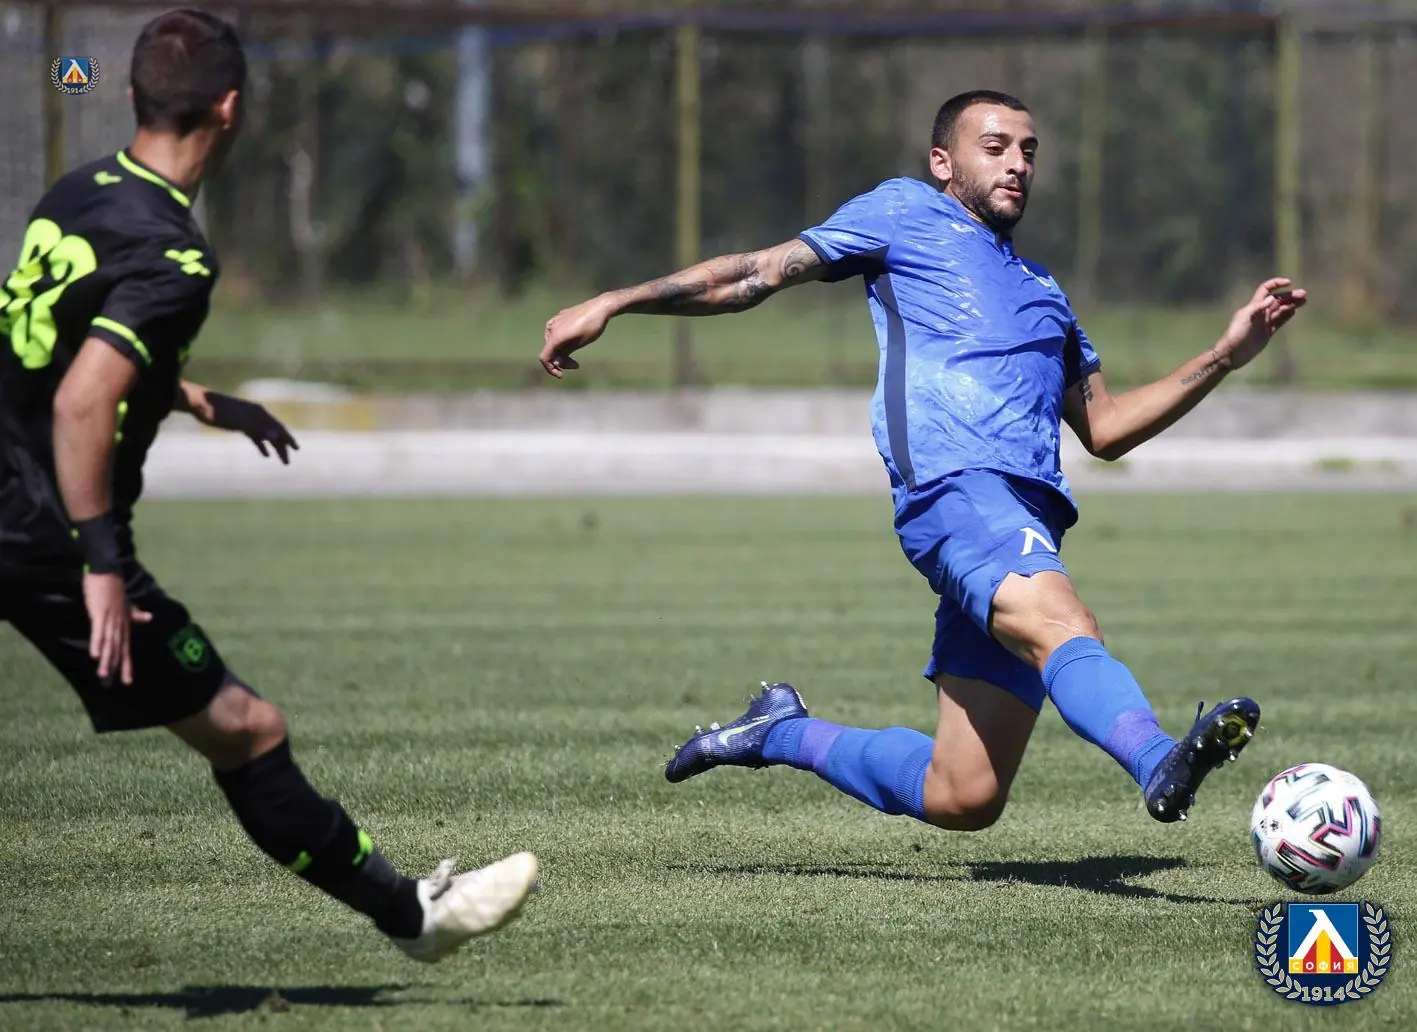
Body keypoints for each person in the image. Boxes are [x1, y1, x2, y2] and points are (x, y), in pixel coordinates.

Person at [539, 89, 1307, 832]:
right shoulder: (905, 212)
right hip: (955, 491)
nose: (1017, 164)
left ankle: (779, 730)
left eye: (1028, 151)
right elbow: (756, 273)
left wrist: (1222, 357)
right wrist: (614, 301)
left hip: (1026, 518)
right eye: (995, 147)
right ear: (942, 161)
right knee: (1064, 622)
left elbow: (1104, 428)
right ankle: (1155, 758)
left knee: (963, 794)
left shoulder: (1044, 291)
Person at [0, 8, 538, 960]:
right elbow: (82, 403)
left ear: (134, 95)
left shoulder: (75, 191)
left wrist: (198, 400)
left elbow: (54, 354)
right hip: (41, 532)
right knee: (247, 731)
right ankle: (412, 917)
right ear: (230, 108)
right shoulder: (174, 254)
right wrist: (101, 564)